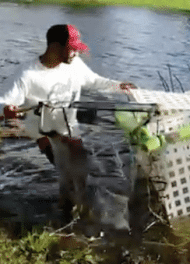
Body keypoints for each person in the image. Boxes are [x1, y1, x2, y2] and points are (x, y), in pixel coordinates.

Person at [0, 24, 136, 219]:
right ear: (54, 46)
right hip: (43, 130)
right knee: (69, 173)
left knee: (80, 172)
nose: (75, 53)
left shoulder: (75, 65)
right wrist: (7, 109)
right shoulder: (27, 74)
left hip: (68, 126)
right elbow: (5, 99)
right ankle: (67, 215)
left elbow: (93, 81)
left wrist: (117, 86)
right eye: (71, 48)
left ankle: (68, 208)